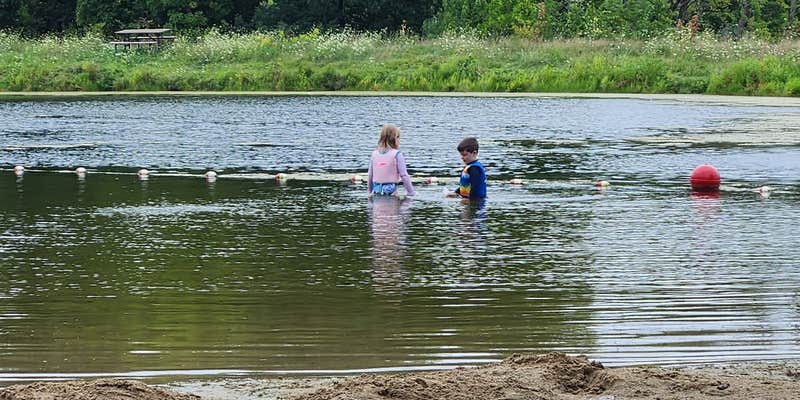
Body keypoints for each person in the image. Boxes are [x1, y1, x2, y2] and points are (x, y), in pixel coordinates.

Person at [367, 124, 415, 197]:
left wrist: (370, 192)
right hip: (391, 191)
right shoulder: (397, 154)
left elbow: (370, 175)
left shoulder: (374, 154)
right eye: (398, 137)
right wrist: (411, 192)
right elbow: (404, 175)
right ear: (394, 139)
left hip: (376, 190)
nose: (399, 140)